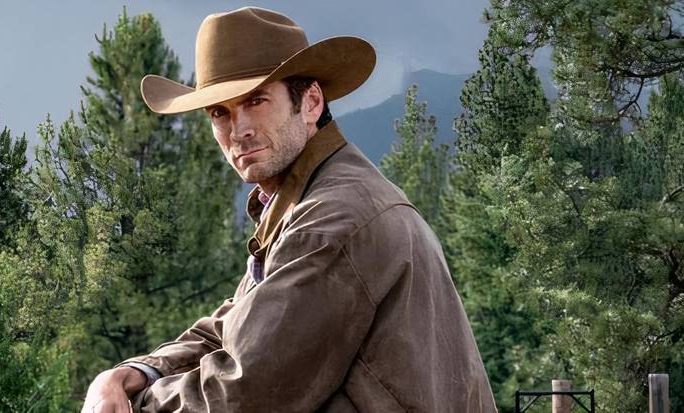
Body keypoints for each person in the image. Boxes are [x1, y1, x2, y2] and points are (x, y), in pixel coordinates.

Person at [82, 6, 497, 413]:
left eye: (256, 100)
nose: (239, 130)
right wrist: (129, 375)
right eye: (220, 112)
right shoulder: (306, 201)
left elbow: (246, 391)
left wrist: (136, 404)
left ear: (311, 102)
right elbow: (234, 328)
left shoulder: (332, 220)